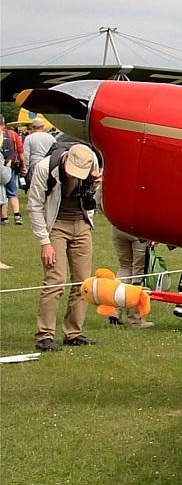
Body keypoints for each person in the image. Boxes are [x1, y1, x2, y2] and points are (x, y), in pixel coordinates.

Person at [28, 143, 101, 351]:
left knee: (83, 282)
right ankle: (44, 335)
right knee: (55, 281)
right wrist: (45, 242)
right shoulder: (45, 168)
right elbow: (34, 205)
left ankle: (73, 332)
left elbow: (91, 199)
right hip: (56, 225)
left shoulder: (92, 161)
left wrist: (95, 185)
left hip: (82, 224)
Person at [109, 225, 154, 328]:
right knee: (138, 274)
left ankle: (114, 311)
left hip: (118, 228)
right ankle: (135, 319)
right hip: (139, 230)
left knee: (124, 268)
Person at [1, 116, 24, 226]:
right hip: (10, 167)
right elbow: (19, 151)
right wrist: (23, 165)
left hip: (4, 166)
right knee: (12, 192)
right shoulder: (12, 135)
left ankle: (4, 217)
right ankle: (17, 215)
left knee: (2, 192)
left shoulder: (6, 136)